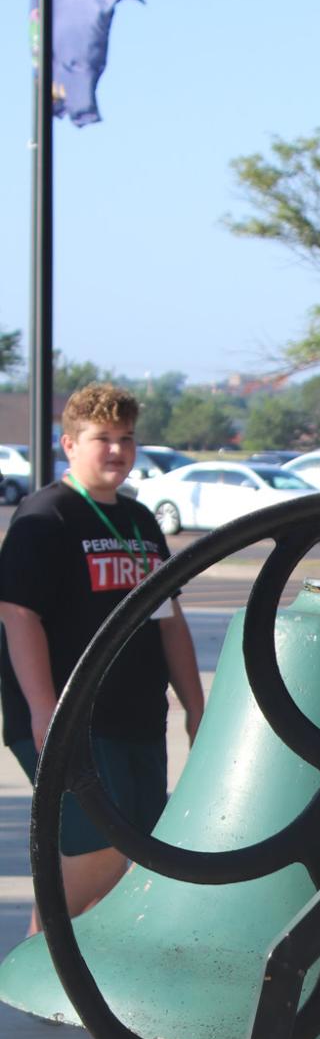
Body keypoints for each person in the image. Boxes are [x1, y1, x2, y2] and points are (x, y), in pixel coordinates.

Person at [0, 382, 203, 930]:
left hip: (137, 717)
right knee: (97, 847)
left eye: (127, 438)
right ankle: (42, 962)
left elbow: (170, 618)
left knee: (135, 849)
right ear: (69, 444)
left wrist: (195, 706)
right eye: (102, 438)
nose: (117, 450)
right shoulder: (47, 516)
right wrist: (46, 711)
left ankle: (65, 967)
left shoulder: (140, 523)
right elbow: (19, 615)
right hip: (74, 721)